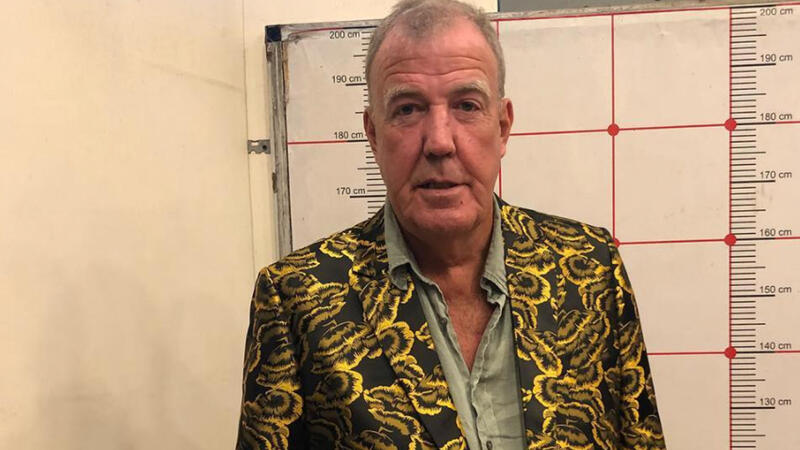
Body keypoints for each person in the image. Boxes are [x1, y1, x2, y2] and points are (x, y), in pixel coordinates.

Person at [237, 0, 665, 448]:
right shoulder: (298, 298)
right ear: (373, 134)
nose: (439, 142)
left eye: (466, 105)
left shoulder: (590, 268)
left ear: (502, 127)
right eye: (408, 109)